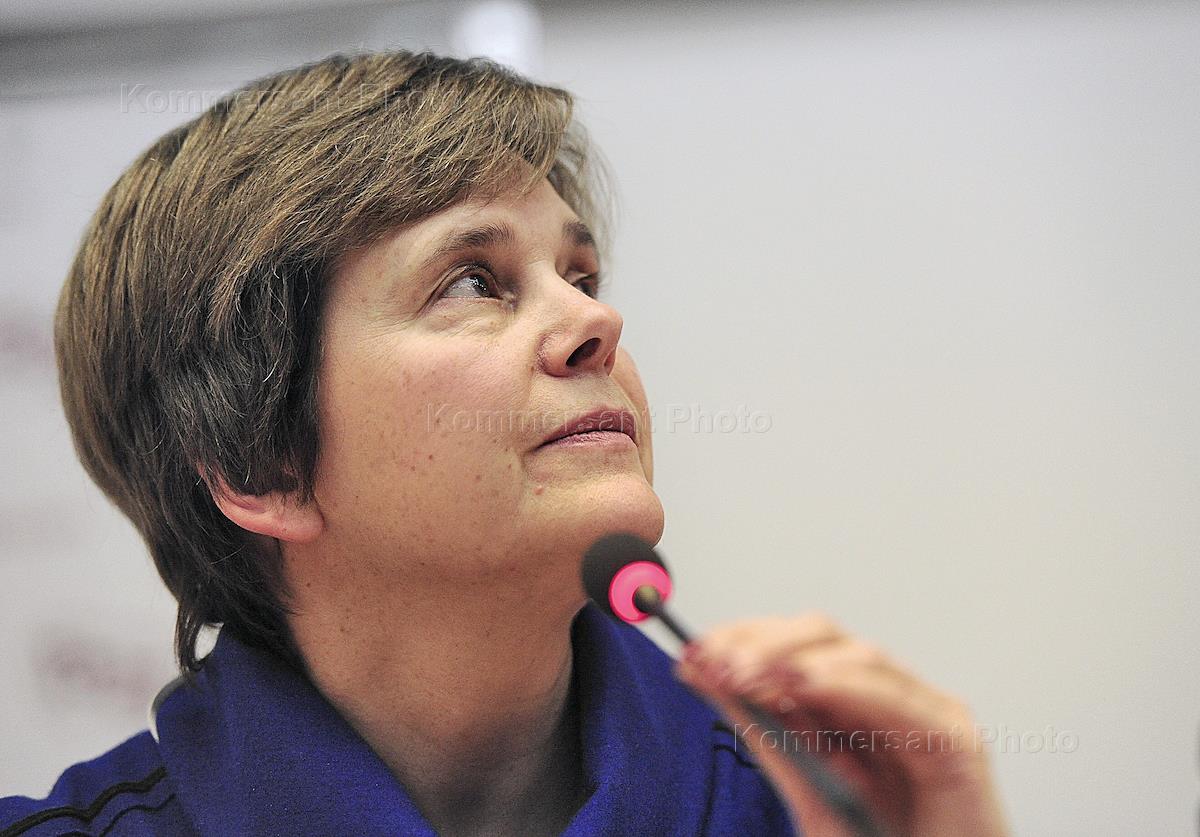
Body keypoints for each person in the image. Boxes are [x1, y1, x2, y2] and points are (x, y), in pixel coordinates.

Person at [0, 51, 1009, 836]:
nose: (595, 322)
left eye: (582, 275)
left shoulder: (824, 804)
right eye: (474, 282)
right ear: (261, 463)